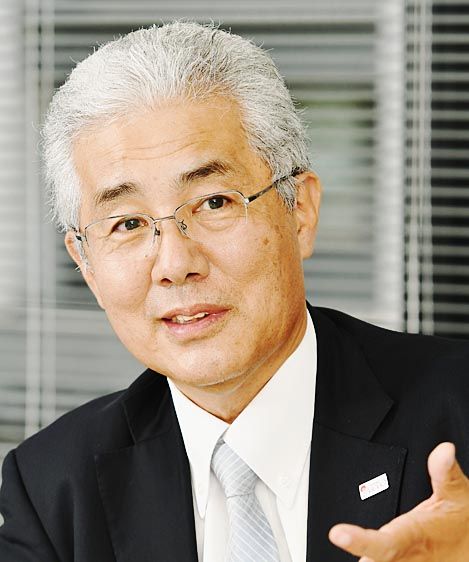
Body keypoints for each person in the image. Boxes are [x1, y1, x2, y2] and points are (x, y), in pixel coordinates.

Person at [0, 21, 468, 562]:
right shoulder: (53, 490)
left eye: (215, 202)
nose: (175, 265)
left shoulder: (457, 412)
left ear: (300, 211)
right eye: (127, 224)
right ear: (86, 263)